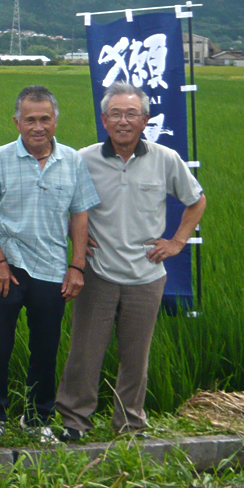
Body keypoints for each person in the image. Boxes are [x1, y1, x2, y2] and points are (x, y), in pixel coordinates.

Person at [55, 81, 206, 441]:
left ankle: (130, 425)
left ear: (145, 120)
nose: (124, 121)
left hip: (147, 274)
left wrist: (177, 241)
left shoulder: (165, 159)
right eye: (116, 114)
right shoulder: (82, 159)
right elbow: (60, 203)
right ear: (104, 120)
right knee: (85, 350)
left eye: (132, 114)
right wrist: (74, 234)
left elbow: (196, 200)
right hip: (98, 271)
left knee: (135, 356)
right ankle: (74, 422)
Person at [0, 85, 100, 443]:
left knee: (46, 347)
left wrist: (76, 267)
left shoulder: (72, 161)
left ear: (55, 121)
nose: (37, 126)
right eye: (30, 119)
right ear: (16, 122)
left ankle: (37, 418)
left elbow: (80, 215)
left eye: (45, 119)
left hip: (53, 270)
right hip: (8, 268)